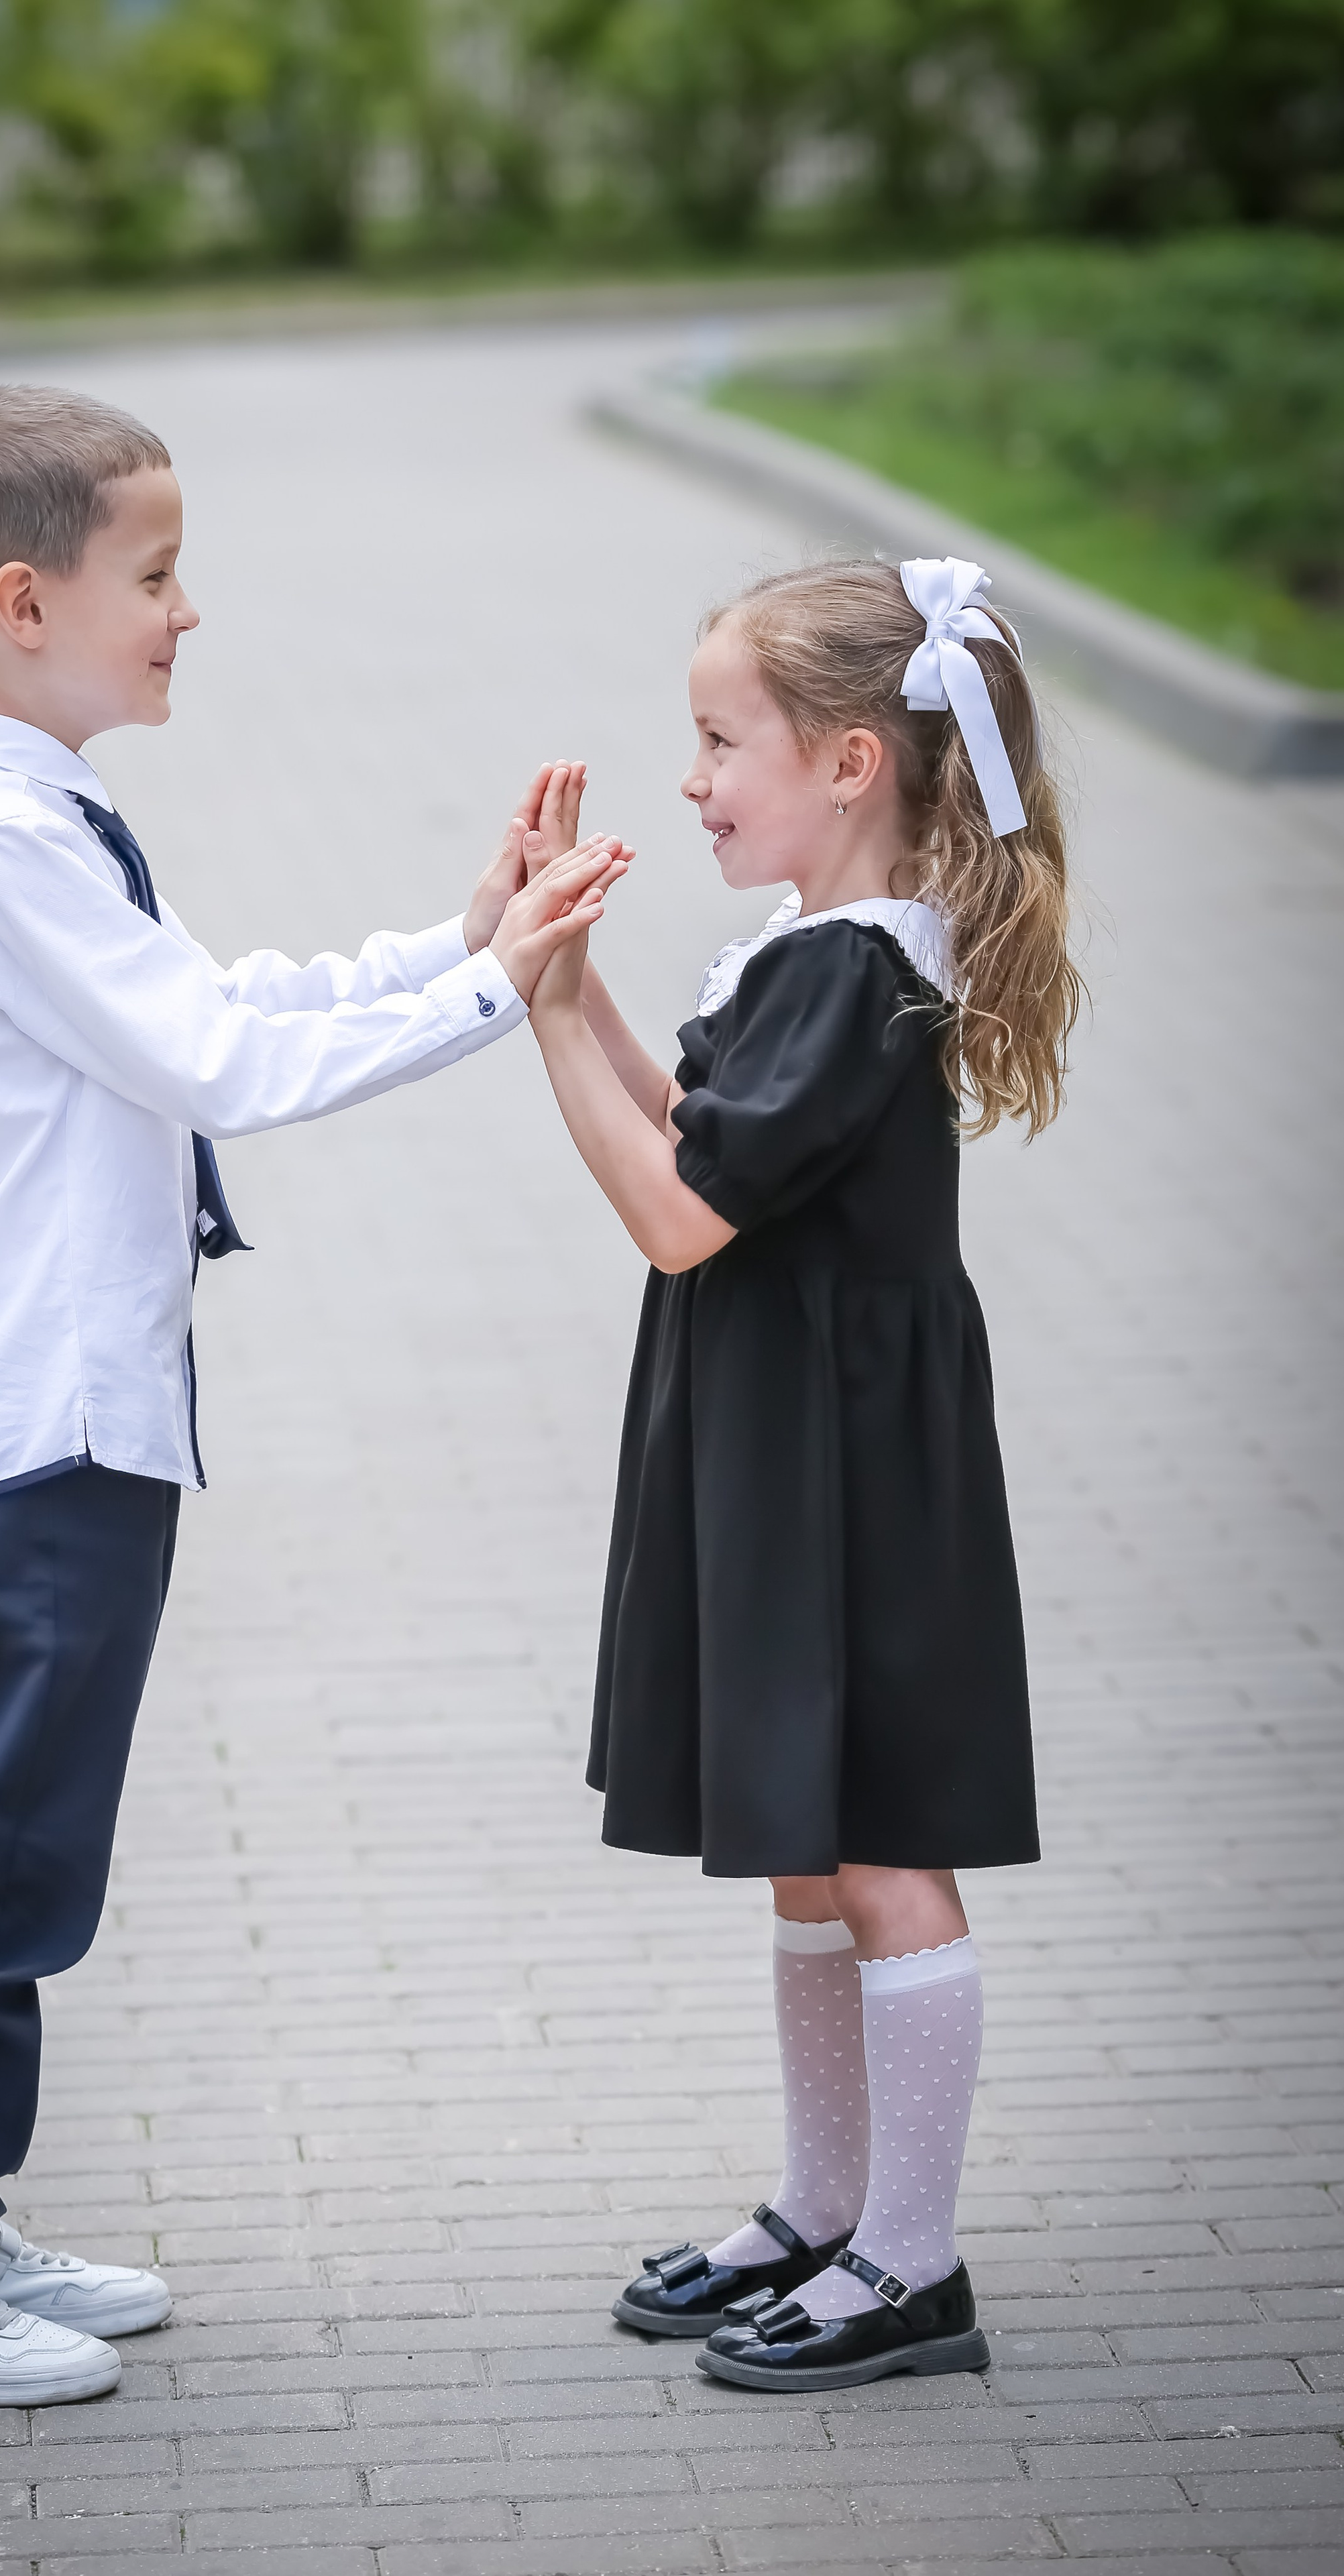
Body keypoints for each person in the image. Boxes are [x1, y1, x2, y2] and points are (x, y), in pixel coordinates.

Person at [0, 383, 628, 2408]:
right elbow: (226, 1070)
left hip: (60, 1423)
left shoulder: (39, 823)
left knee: (4, 1845)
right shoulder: (2, 846)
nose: (190, 613)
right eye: (156, 576)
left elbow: (217, 1005)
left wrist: (458, 941)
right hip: (27, 1436)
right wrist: (496, 990)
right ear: (24, 604)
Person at [520, 556, 1079, 2393]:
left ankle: (912, 2264)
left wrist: (543, 1023)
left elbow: (680, 1214)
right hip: (796, 1434)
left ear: (849, 764)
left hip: (846, 1455)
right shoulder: (813, 950)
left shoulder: (857, 969)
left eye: (718, 739)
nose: (689, 779)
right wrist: (567, 971)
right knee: (812, 1847)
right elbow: (706, 1131)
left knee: (883, 1843)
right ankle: (826, 2209)